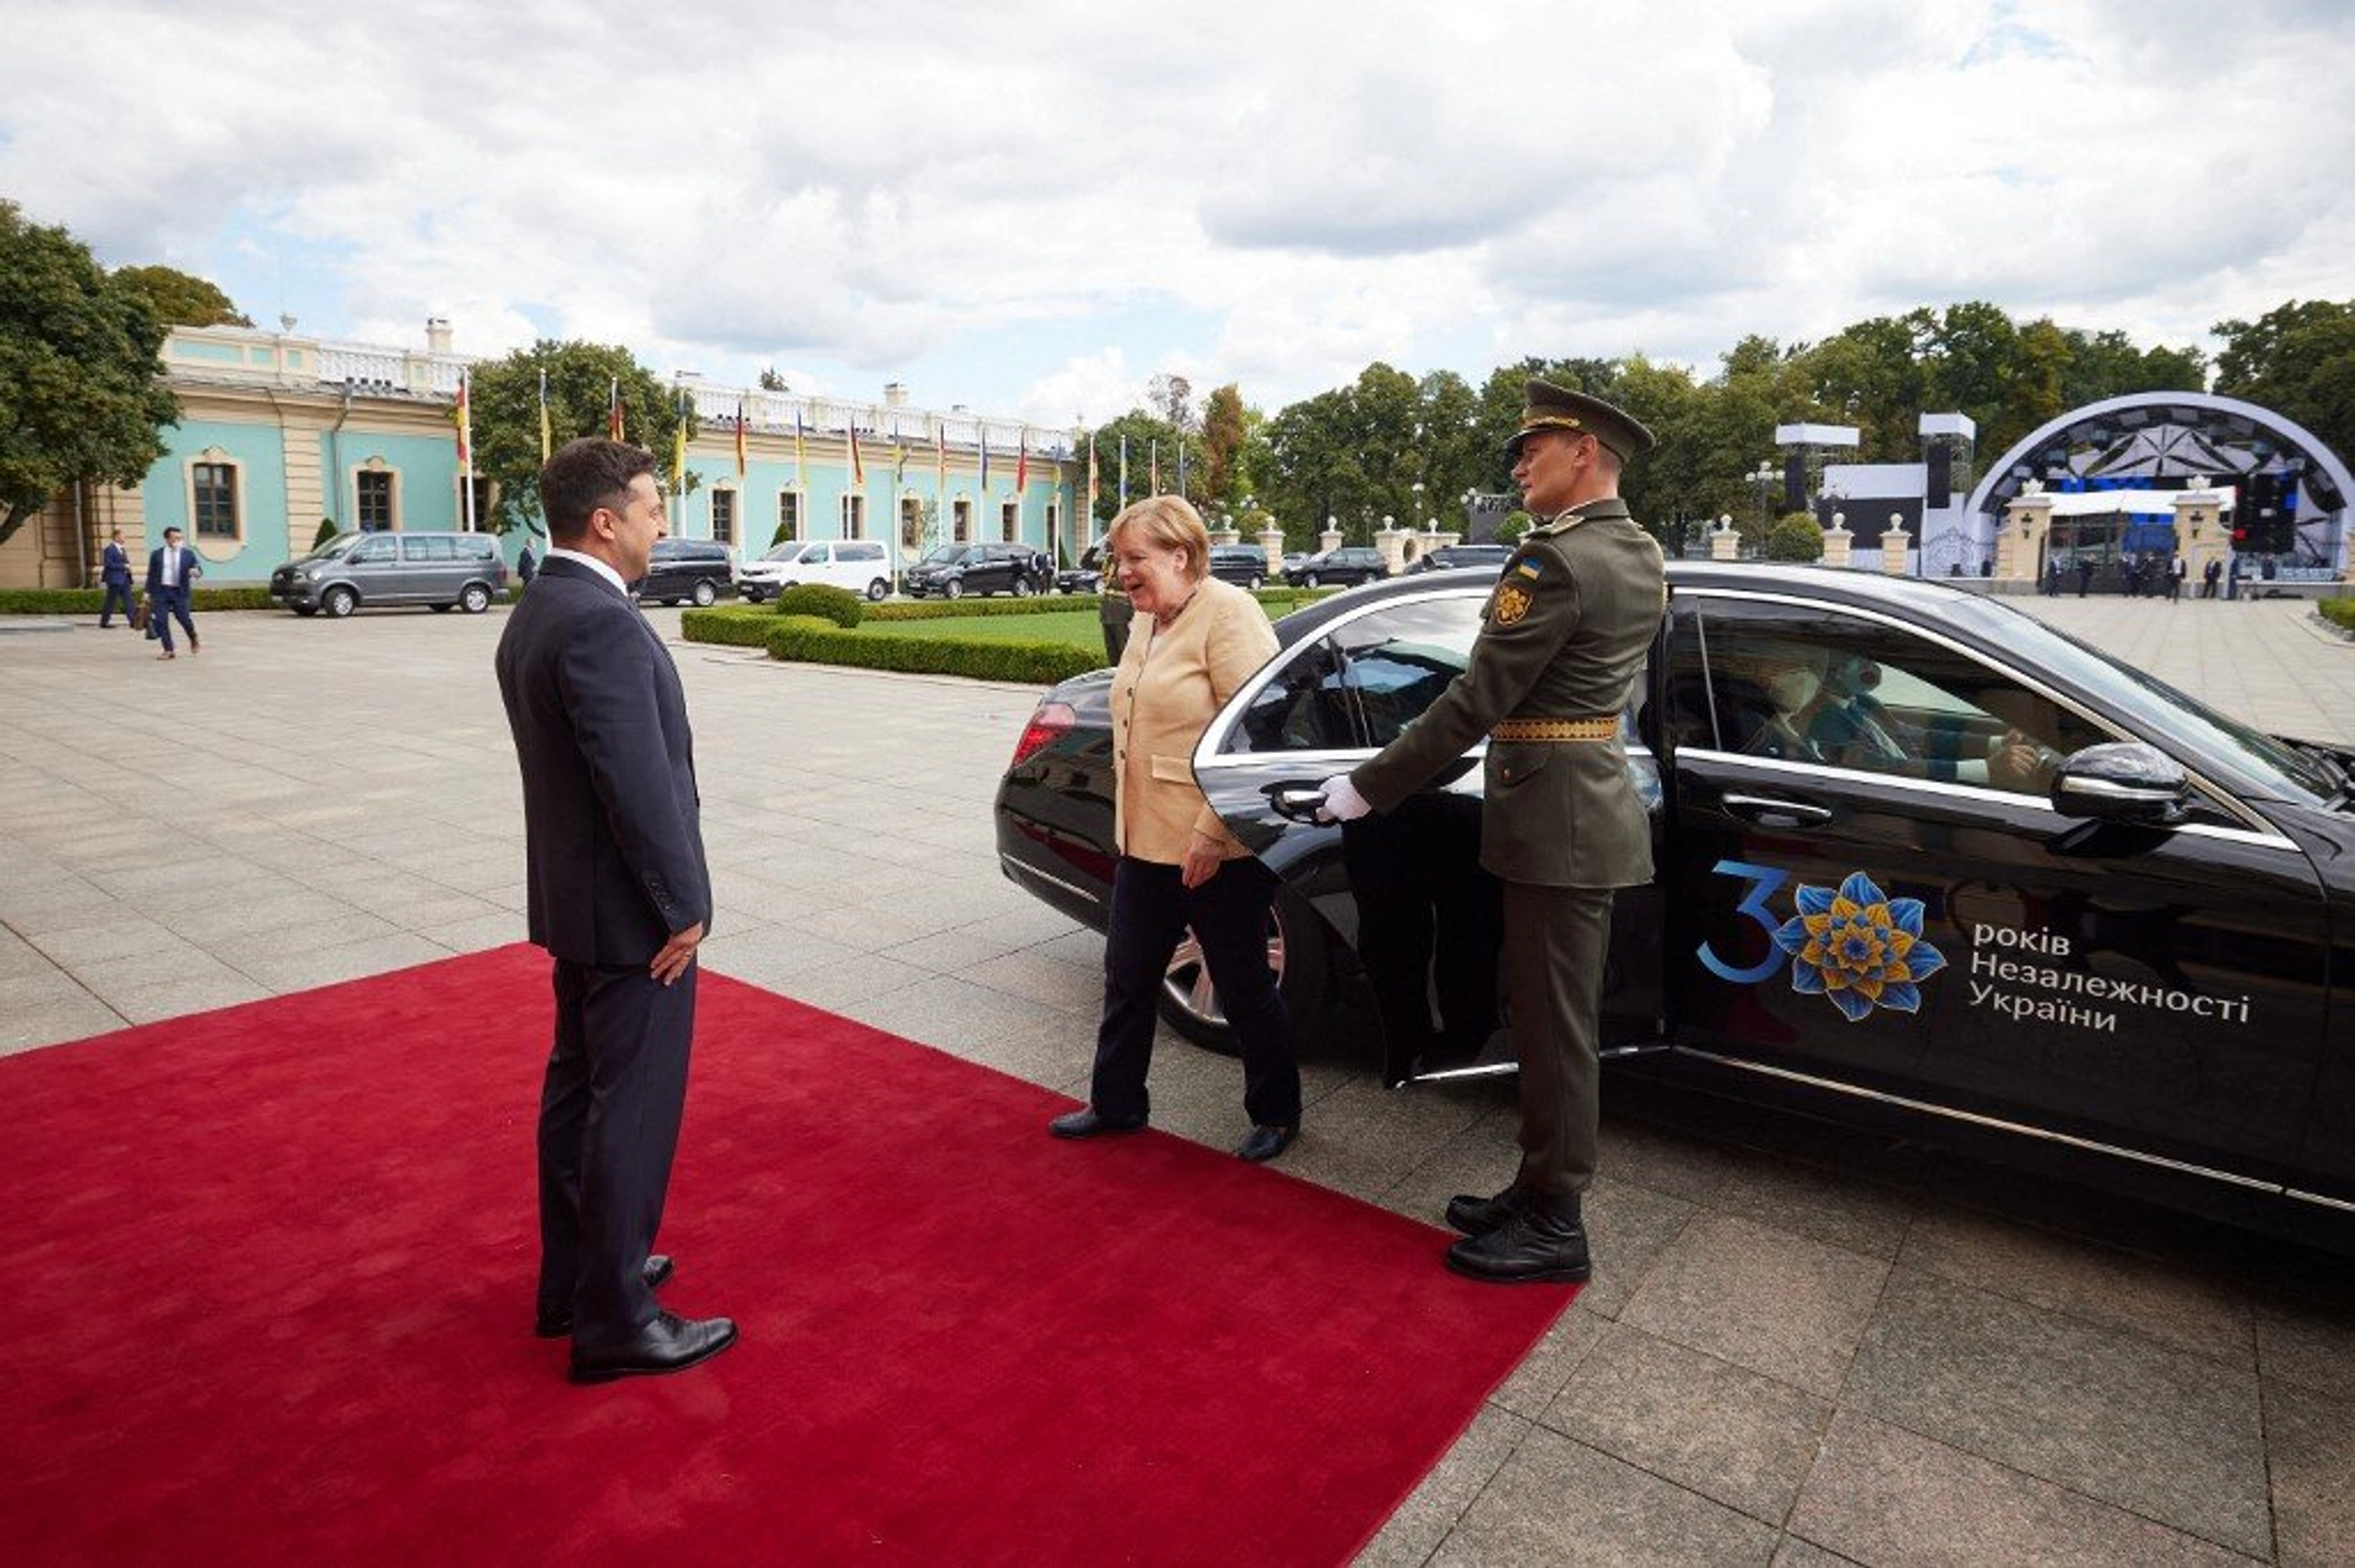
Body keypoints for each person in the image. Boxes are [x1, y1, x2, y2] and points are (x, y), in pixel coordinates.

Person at [1317, 382, 1665, 1285]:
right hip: (1579, 808)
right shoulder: (1636, 550)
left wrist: (1369, 784)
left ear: (1582, 451)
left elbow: (1477, 698)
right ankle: (1536, 1181)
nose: (1517, 466)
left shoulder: (1552, 563)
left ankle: (1556, 1220)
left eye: (1531, 449)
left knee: (1554, 1029)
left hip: (1555, 820)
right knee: (1554, 1019)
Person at [493, 438, 736, 1384]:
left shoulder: (542, 605)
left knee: (576, 1095)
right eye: (652, 505)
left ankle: (576, 1279)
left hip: (582, 902)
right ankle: (617, 1317)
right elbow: (633, 782)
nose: (662, 521)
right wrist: (683, 906)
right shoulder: (595, 621)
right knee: (629, 1109)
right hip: (634, 916)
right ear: (606, 519)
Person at [1050, 495, 1301, 1162]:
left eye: (1136, 558)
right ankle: (1117, 1103)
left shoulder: (1230, 613)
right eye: (1118, 559)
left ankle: (1277, 1110)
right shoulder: (1148, 618)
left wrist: (1214, 833)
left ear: (1181, 555)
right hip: (1146, 838)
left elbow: (1257, 734)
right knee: (1127, 974)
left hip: (1214, 845)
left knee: (1243, 983)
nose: (1122, 572)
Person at [1804, 649, 2058, 791]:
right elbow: (1884, 768)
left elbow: (1912, 735)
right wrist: (1987, 769)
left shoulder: (1862, 702)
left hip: (1917, 786)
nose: (1870, 668)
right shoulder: (1826, 720)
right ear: (1834, 672)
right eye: (1858, 659)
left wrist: (1996, 743)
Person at [144, 526, 201, 658]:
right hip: (161, 591)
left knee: (184, 619)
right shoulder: (156, 554)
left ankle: (193, 637)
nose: (179, 540)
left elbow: (198, 571)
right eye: (175, 538)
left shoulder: (188, 554)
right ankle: (168, 649)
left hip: (180, 592)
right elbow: (151, 575)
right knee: (161, 620)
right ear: (167, 539)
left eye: (180, 538)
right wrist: (147, 592)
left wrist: (195, 572)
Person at [98, 529, 135, 628]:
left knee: (129, 601)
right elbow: (108, 564)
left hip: (125, 579)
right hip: (114, 580)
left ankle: (133, 621)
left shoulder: (122, 549)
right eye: (122, 536)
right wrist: (124, 566)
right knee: (110, 602)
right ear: (116, 537)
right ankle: (104, 622)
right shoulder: (109, 549)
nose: (124, 538)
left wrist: (127, 569)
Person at [1097, 577, 1134, 664]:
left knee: (1124, 651)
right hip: (1107, 613)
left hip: (1121, 614)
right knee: (1112, 652)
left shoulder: (1128, 567)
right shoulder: (1110, 565)